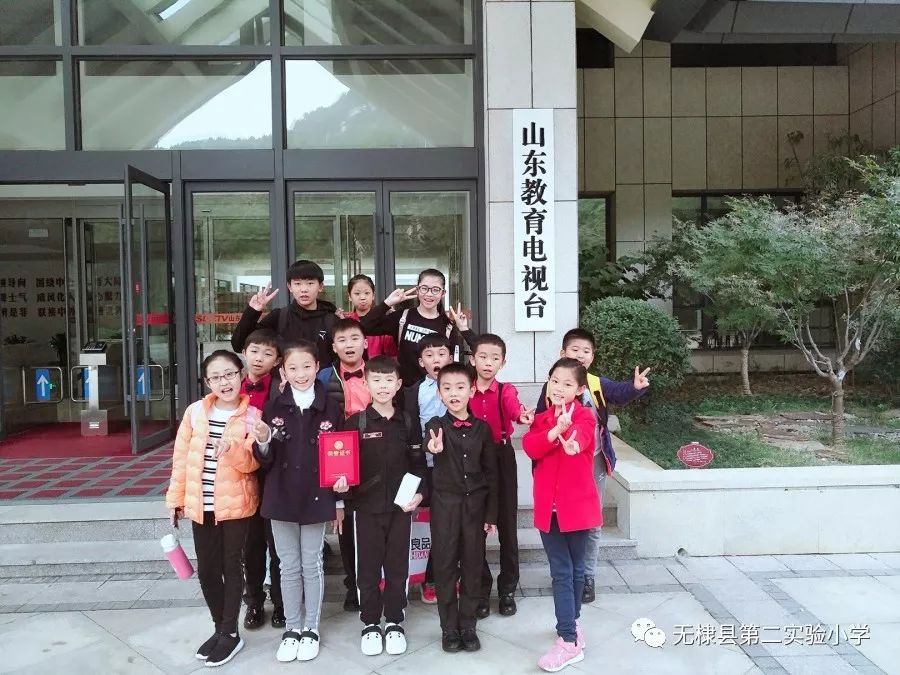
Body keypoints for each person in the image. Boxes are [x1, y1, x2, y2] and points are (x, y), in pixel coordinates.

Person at [535, 328, 650, 603]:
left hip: (593, 462)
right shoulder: (551, 387)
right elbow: (540, 425)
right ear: (563, 353)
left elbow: (619, 392)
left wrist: (634, 387)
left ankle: (587, 576)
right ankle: (565, 574)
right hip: (561, 465)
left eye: (586, 351)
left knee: (591, 521)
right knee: (560, 520)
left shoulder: (596, 383)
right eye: (575, 350)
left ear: (592, 356)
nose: (580, 355)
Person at [166, 350, 261, 668]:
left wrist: (231, 449)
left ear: (241, 375)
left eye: (230, 374)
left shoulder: (253, 415)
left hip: (236, 506)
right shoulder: (195, 412)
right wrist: (175, 499)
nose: (224, 382)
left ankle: (230, 633)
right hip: (200, 504)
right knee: (207, 570)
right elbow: (181, 459)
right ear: (207, 382)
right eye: (216, 377)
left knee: (231, 568)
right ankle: (220, 627)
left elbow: (252, 463)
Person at [251, 340, 345, 663]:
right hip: (281, 495)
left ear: (317, 367)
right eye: (293, 368)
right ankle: (292, 628)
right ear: (283, 371)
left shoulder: (331, 407)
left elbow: (340, 455)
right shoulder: (274, 407)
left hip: (317, 496)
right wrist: (263, 441)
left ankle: (311, 628)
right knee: (287, 565)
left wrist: (340, 498)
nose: (301, 373)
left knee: (311, 564)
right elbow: (265, 459)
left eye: (307, 366)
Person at [343, 355, 427, 656]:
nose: (382, 386)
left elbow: (419, 464)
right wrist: (341, 486)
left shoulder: (408, 422)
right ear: (366, 384)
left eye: (388, 380)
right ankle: (369, 623)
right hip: (366, 508)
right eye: (376, 380)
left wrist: (420, 495)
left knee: (397, 567)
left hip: (401, 509)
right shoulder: (355, 423)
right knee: (367, 569)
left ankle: (394, 621)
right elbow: (343, 467)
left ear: (398, 384)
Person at [523, 358, 599, 672]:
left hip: (577, 507)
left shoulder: (585, 416)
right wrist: (556, 430)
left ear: (579, 389)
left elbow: (582, 437)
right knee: (562, 571)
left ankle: (569, 637)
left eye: (567, 384)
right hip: (548, 510)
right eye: (555, 381)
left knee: (576, 570)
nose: (559, 388)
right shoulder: (541, 419)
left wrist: (572, 442)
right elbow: (532, 447)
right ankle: (570, 632)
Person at [425, 363, 498, 653]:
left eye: (460, 387)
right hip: (445, 506)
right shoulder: (436, 426)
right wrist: (434, 447)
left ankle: (468, 625)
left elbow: (491, 474)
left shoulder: (483, 429)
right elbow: (429, 443)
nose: (454, 393)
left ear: (471, 390)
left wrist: (491, 514)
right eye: (447, 388)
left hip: (475, 508)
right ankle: (448, 628)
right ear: (439, 393)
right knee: (444, 566)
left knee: (472, 565)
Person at [468, 333, 534, 618]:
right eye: (483, 357)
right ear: (473, 359)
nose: (488, 363)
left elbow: (513, 407)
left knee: (507, 525)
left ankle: (507, 589)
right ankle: (481, 589)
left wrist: (521, 416)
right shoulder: (465, 389)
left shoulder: (506, 390)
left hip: (501, 457)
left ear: (503, 362)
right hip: (471, 461)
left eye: (495, 358)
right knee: (474, 529)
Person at [316, 317, 372, 612]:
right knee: (346, 526)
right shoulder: (323, 377)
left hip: (375, 456)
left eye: (354, 338)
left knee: (373, 525)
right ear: (334, 347)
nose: (349, 345)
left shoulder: (381, 372)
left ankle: (373, 584)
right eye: (342, 340)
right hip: (339, 458)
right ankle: (353, 586)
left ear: (365, 343)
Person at [401, 333, 455, 604]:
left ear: (451, 358)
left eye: (442, 354)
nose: (437, 359)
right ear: (421, 362)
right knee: (416, 522)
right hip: (419, 466)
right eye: (430, 355)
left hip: (451, 468)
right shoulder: (411, 392)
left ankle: (436, 578)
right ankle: (411, 579)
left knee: (445, 526)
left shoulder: (461, 389)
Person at [238, 329, 285, 631]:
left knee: (278, 543)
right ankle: (254, 601)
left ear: (277, 360)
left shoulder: (281, 390)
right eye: (254, 351)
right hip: (242, 476)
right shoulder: (231, 387)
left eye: (268, 354)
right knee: (250, 545)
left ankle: (281, 603)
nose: (259, 358)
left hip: (273, 476)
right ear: (244, 352)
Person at [359, 268, 475, 385]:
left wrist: (464, 329)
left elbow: (477, 352)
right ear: (417, 290)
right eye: (424, 288)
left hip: (436, 392)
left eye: (435, 290)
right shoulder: (403, 318)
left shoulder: (448, 327)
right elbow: (364, 326)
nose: (429, 294)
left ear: (443, 293)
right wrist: (387, 303)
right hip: (405, 391)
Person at [231, 259, 338, 368]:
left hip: (323, 378)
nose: (304, 289)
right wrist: (252, 311)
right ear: (290, 287)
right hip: (283, 378)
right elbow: (239, 345)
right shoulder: (279, 317)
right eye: (297, 284)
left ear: (320, 286)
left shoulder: (331, 320)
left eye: (310, 283)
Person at [343, 274, 398, 358]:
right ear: (349, 296)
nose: (362, 297)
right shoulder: (345, 320)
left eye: (367, 293)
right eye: (357, 293)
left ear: (373, 295)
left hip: (379, 365)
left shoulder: (384, 320)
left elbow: (392, 355)